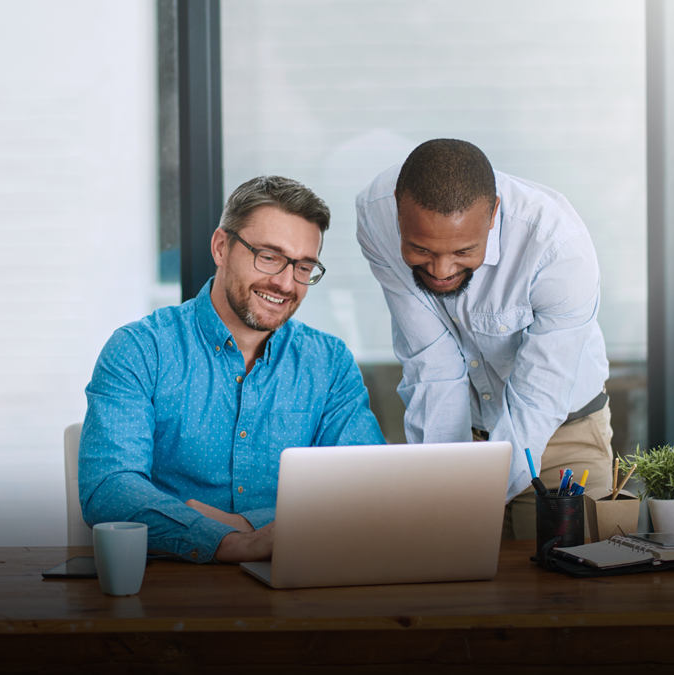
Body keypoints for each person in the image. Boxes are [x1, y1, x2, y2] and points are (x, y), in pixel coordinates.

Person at [79, 176, 385, 564]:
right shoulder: (140, 350)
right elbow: (109, 489)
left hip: (298, 579)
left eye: (304, 266)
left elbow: (366, 487)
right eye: (269, 257)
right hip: (170, 585)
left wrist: (244, 524)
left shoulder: (329, 363)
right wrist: (227, 542)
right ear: (222, 247)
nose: (286, 283)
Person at [355, 139, 613, 539]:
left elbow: (537, 401)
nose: (440, 270)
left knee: (562, 591)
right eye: (421, 250)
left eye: (463, 251)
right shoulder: (375, 215)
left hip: (561, 436)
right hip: (461, 435)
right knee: (455, 588)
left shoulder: (558, 248)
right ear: (397, 209)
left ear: (493, 215)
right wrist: (446, 484)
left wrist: (465, 499)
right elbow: (432, 364)